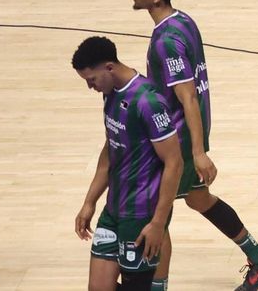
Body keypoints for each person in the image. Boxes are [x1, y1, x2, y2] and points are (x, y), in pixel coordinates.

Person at [130, 0, 258, 290]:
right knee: (198, 198)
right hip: (190, 132)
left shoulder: (167, 42)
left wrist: (197, 153)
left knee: (157, 217)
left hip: (177, 139)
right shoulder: (184, 20)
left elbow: (187, 97)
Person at [71, 35, 181, 291]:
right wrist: (89, 202)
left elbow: (174, 163)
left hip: (141, 214)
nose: (91, 87)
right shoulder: (110, 94)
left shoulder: (148, 102)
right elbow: (111, 149)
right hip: (113, 211)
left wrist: (158, 223)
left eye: (92, 80)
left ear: (109, 67)